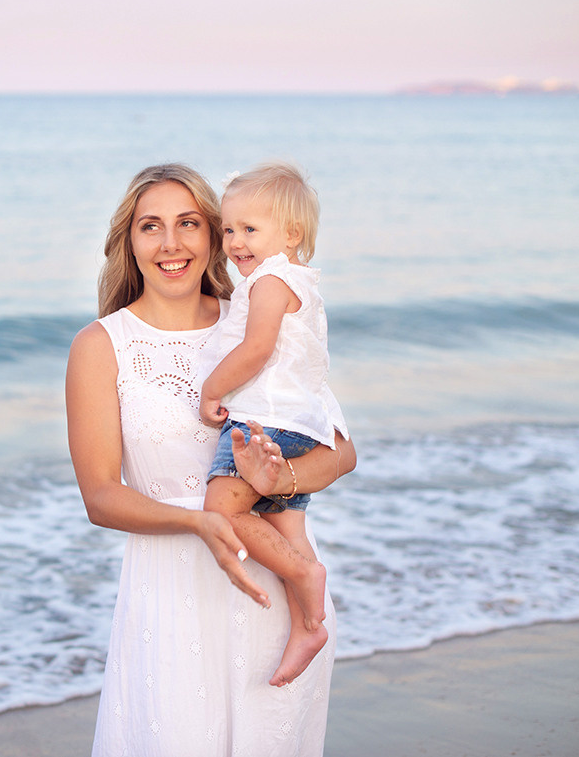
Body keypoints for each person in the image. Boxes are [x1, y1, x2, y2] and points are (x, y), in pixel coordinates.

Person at [65, 163, 356, 757]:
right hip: (170, 598)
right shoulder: (101, 345)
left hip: (277, 596)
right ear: (129, 242)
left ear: (214, 235)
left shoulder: (257, 318)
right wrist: (202, 521)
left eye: (189, 223)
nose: (170, 243)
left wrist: (278, 477)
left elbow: (341, 452)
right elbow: (100, 497)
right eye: (151, 226)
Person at [200, 162, 350, 689]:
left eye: (250, 228)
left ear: (291, 235)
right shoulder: (296, 282)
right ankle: (310, 626)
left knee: (222, 508)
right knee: (286, 524)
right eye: (228, 229)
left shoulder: (269, 281)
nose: (235, 242)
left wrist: (212, 389)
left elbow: (257, 348)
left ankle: (306, 575)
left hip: (267, 419)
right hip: (300, 422)